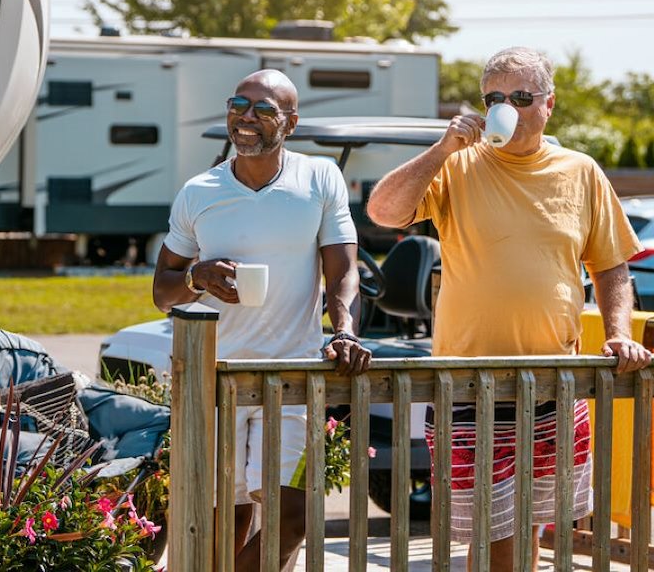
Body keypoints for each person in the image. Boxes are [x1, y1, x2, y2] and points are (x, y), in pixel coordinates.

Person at [366, 46, 651, 571]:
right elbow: (384, 210)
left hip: (554, 383)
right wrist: (443, 147)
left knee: (529, 529)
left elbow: (611, 266)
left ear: (549, 105)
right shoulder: (458, 165)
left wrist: (616, 332)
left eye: (521, 97)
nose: (507, 107)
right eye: (494, 97)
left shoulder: (581, 171)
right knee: (493, 535)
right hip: (469, 383)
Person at [152, 69, 372, 569]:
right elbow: (162, 290)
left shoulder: (319, 177)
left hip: (290, 380)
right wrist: (197, 278)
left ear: (290, 122)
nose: (246, 117)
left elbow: (342, 272)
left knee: (293, 519)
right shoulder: (198, 191)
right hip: (216, 382)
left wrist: (344, 331)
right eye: (238, 104)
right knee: (223, 527)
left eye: (263, 108)